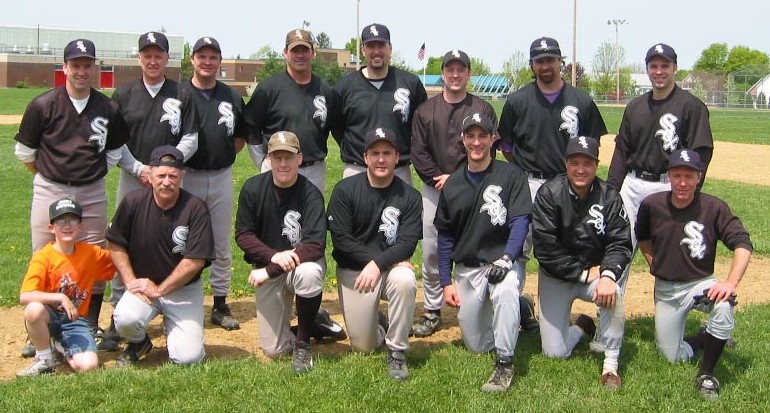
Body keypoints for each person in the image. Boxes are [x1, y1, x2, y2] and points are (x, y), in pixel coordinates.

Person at [14, 38, 125, 356]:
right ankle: (40, 329)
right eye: (75, 65)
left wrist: (89, 174)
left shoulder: (107, 107)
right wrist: (51, 176)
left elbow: (115, 152)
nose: (81, 70)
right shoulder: (43, 104)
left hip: (91, 190)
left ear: (94, 68)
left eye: (86, 65)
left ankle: (89, 321)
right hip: (50, 187)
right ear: (64, 68)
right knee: (45, 255)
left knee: (93, 254)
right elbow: (26, 152)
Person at [497, 36, 607, 333]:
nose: (545, 66)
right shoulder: (518, 100)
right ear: (532, 65)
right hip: (528, 183)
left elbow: (593, 146)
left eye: (551, 59)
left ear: (561, 61)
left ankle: (598, 306)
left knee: (575, 243)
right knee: (520, 247)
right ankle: (513, 302)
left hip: (568, 187)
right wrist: (522, 173)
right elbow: (506, 145)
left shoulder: (580, 100)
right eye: (539, 60)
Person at [105, 31, 200, 346]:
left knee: (172, 236)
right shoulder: (124, 94)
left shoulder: (182, 92)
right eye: (147, 54)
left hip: (170, 179)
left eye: (158, 54)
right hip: (133, 177)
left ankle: (170, 297)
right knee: (123, 240)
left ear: (167, 58)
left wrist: (166, 168)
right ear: (139, 58)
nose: (153, 60)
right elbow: (116, 142)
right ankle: (119, 310)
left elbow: (191, 138)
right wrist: (139, 169)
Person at [636, 148, 752, 401]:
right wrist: (652, 260)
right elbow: (643, 236)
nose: (683, 183)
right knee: (671, 357)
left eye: (689, 176)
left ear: (699, 177)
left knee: (723, 305)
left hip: (700, 284)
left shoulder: (714, 207)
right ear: (669, 176)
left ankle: (706, 374)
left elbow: (742, 243)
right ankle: (702, 337)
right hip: (666, 290)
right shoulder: (652, 205)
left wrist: (730, 283)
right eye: (677, 175)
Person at [607, 43, 714, 301]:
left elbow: (701, 152)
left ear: (674, 68)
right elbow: (622, 150)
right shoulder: (635, 106)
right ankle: (609, 325)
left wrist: (689, 192)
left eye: (664, 65)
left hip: (670, 187)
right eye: (653, 66)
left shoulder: (691, 106)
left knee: (675, 254)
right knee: (618, 250)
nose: (659, 71)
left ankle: (695, 316)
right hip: (633, 187)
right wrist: (611, 190)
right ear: (647, 70)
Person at [434, 113, 531, 393]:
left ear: (492, 139)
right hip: (468, 269)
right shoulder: (452, 184)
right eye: (471, 136)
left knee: (505, 288)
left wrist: (508, 257)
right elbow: (445, 236)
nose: (477, 142)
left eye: (483, 135)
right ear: (463, 140)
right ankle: (519, 310)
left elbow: (520, 222)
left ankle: (505, 362)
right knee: (476, 345)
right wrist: (445, 281)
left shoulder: (511, 175)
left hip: (503, 261)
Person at [409, 49, 498, 338]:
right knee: (434, 250)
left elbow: (488, 148)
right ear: (444, 73)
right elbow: (418, 151)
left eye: (461, 69)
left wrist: (457, 179)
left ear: (469, 73)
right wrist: (440, 178)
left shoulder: (483, 109)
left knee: (480, 247)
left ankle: (488, 302)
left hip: (474, 188)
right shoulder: (425, 110)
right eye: (450, 69)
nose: (456, 74)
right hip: (435, 190)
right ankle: (433, 310)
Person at [531, 136, 631, 390]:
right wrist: (582, 273)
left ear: (596, 165)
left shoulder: (609, 196)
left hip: (595, 274)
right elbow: (545, 248)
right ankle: (581, 327)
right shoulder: (549, 193)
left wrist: (608, 275)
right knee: (555, 353)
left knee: (614, 293)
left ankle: (610, 366)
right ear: (566, 164)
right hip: (558, 276)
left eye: (587, 163)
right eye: (574, 162)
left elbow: (620, 243)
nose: (581, 169)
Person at [327, 127, 422, 381]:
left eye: (387, 153)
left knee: (405, 280)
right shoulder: (345, 190)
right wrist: (375, 262)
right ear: (365, 157)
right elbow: (342, 241)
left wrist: (379, 264)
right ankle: (379, 324)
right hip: (355, 271)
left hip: (388, 268)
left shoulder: (410, 196)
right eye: (375, 153)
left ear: (397, 157)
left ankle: (397, 352)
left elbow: (408, 243)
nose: (381, 159)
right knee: (363, 347)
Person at [106, 146, 214, 367]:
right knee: (125, 319)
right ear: (150, 174)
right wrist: (129, 281)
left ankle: (175, 330)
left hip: (183, 290)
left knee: (188, 358)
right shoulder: (133, 202)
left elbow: (195, 261)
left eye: (173, 176)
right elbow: (115, 243)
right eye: (161, 175)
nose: (167, 181)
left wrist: (160, 290)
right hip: (144, 286)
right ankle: (139, 342)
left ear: (181, 176)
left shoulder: (195, 208)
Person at [234, 131, 326, 373]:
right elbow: (243, 234)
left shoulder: (311, 194)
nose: (283, 164)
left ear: (300, 159)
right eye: (277, 158)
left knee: (310, 273)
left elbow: (316, 245)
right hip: (269, 266)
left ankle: (303, 341)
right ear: (268, 160)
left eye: (289, 157)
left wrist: (271, 269)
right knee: (274, 350)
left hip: (297, 266)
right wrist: (273, 257)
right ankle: (315, 323)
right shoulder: (253, 189)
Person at [182, 36, 248, 331]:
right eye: (202, 56)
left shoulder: (232, 96)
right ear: (192, 60)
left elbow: (239, 138)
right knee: (183, 239)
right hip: (186, 175)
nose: (207, 62)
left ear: (220, 61)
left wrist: (218, 156)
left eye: (213, 57)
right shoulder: (179, 93)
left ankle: (220, 303)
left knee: (220, 241)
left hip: (220, 174)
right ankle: (182, 298)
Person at [16, 198, 116, 377]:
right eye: (61, 221)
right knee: (33, 310)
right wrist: (61, 297)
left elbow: (118, 261)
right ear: (51, 228)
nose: (67, 226)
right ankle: (44, 358)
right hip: (49, 316)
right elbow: (25, 295)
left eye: (72, 221)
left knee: (88, 366)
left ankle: (59, 345)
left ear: (81, 227)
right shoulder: (44, 257)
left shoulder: (91, 254)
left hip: (75, 321)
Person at [330, 23, 427, 184]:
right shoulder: (344, 87)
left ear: (390, 47)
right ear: (362, 50)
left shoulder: (410, 83)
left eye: (381, 45)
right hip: (357, 169)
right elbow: (336, 127)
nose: (376, 51)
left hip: (398, 170)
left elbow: (420, 125)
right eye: (370, 46)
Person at [244, 28, 333, 192]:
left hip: (314, 169)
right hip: (279, 167)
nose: (300, 55)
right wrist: (263, 161)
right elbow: (251, 127)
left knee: (312, 216)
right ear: (285, 53)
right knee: (274, 216)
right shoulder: (269, 88)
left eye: (305, 50)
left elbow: (334, 126)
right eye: (295, 50)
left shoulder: (324, 88)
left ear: (313, 53)